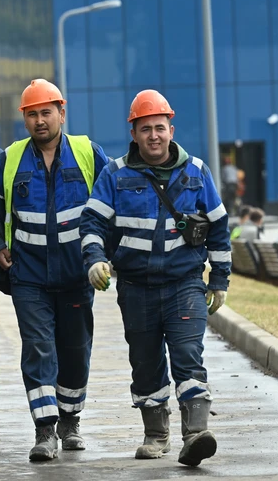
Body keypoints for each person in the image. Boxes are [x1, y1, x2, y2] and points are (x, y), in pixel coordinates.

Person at [80, 89, 232, 468]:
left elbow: (219, 227)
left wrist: (220, 280)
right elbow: (92, 222)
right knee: (145, 363)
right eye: (145, 129)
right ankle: (156, 434)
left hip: (184, 285)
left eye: (159, 128)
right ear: (133, 133)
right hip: (136, 288)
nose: (153, 136)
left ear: (171, 129)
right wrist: (95, 259)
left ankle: (196, 434)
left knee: (187, 356)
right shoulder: (115, 175)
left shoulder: (196, 172)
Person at [0, 79, 109, 461]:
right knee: (38, 349)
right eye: (32, 114)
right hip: (29, 277)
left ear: (61, 113)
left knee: (75, 351)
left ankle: (71, 419)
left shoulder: (87, 153)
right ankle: (45, 430)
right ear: (24, 119)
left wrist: (102, 255)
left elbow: (111, 203)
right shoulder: (11, 159)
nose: (39, 120)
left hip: (76, 276)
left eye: (46, 112)